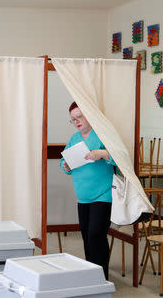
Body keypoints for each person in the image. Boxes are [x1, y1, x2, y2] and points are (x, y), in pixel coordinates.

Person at [60, 101, 116, 280]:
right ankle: (92, 277)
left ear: (88, 115)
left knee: (96, 235)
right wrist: (66, 166)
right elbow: (64, 161)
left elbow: (120, 157)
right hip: (83, 197)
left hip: (103, 194)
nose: (76, 121)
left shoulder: (102, 135)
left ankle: (102, 278)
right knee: (86, 236)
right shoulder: (74, 139)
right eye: (73, 119)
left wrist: (101, 154)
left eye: (79, 117)